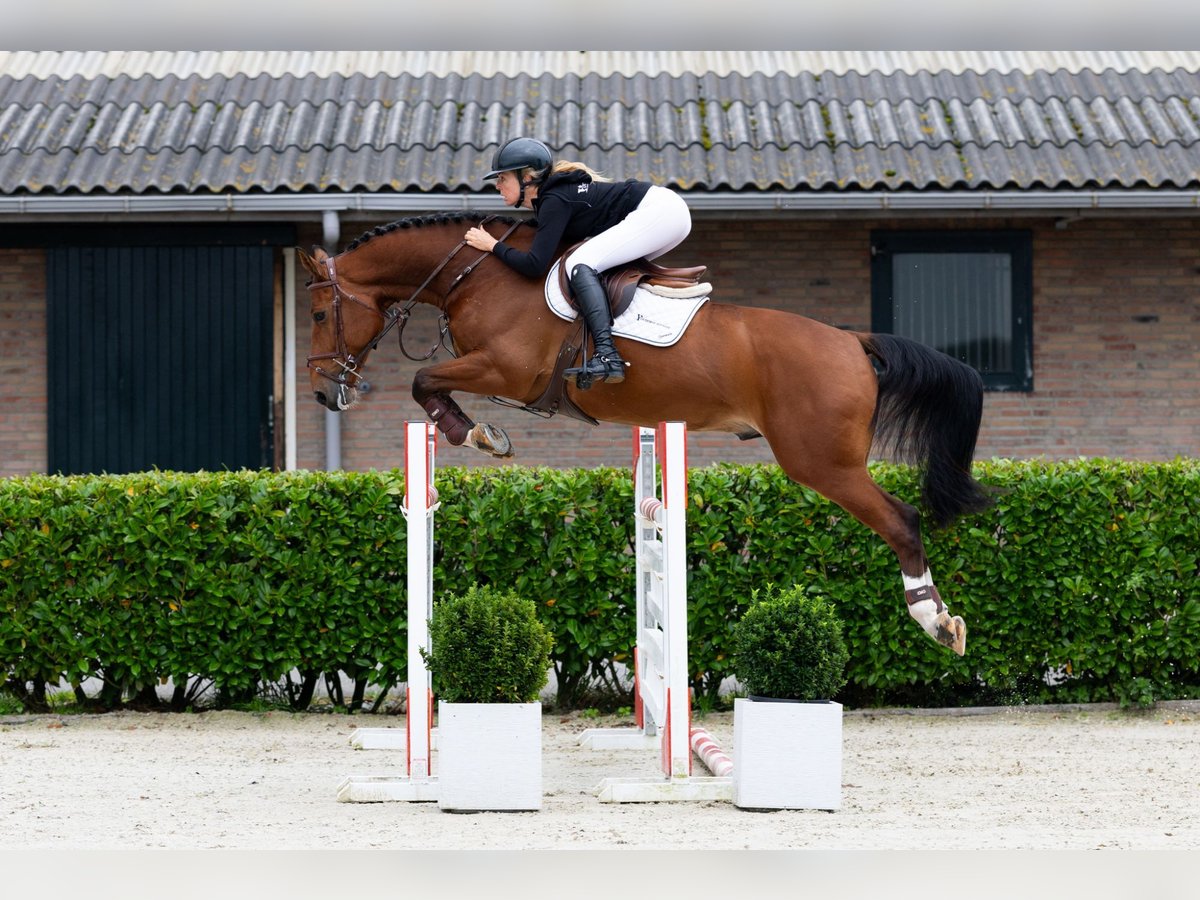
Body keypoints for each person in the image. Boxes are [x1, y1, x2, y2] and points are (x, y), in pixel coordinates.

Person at [464, 137, 692, 385]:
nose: (497, 185)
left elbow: (534, 265)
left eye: (502, 178)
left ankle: (607, 354)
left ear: (527, 178)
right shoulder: (554, 198)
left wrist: (492, 245)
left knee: (579, 264)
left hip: (659, 212)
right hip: (668, 214)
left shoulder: (554, 199)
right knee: (600, 270)